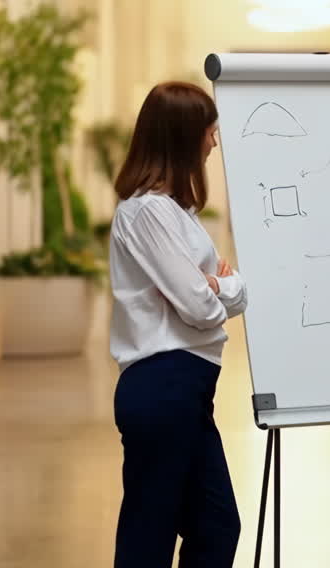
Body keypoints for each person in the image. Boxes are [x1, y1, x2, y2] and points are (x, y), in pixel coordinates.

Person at [108, 80, 247, 568]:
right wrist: (219, 288)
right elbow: (200, 307)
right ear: (183, 137)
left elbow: (213, 295)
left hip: (186, 390)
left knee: (216, 526)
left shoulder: (176, 213)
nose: (214, 141)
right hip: (162, 386)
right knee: (149, 536)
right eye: (210, 131)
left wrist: (216, 286)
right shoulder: (146, 213)